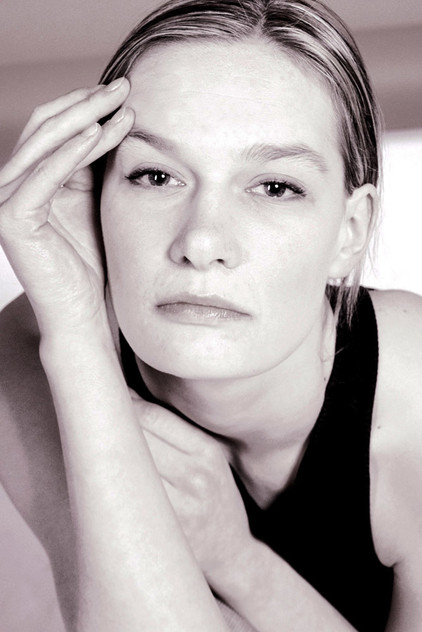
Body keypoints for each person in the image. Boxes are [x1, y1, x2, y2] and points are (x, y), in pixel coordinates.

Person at [1, 0, 421, 630]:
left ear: (349, 232)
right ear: (93, 197)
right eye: (155, 176)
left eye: (274, 187)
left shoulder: (414, 394)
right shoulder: (41, 344)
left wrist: (237, 560)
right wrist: (77, 338)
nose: (200, 241)